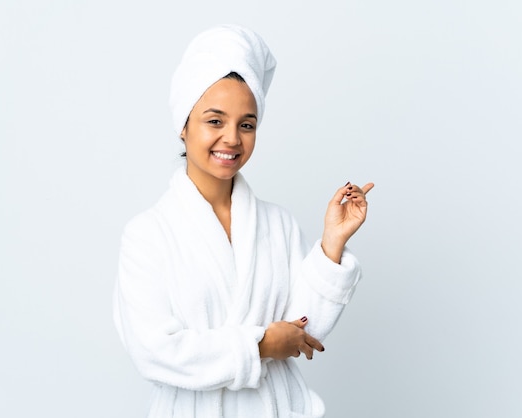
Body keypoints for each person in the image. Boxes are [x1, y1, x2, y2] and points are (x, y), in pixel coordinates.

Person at [113, 24, 374, 418]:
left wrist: (332, 243)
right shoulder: (148, 235)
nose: (232, 138)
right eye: (214, 121)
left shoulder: (277, 224)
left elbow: (305, 332)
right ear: (183, 126)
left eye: (246, 124)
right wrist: (258, 347)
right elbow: (155, 353)